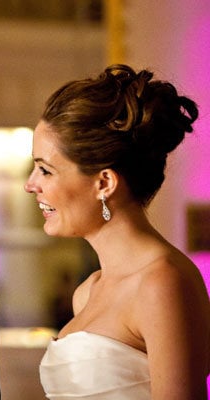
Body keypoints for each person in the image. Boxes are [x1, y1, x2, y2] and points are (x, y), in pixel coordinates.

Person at [24, 64, 210, 399]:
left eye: (45, 170)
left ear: (104, 182)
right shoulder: (88, 292)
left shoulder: (162, 282)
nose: (30, 184)